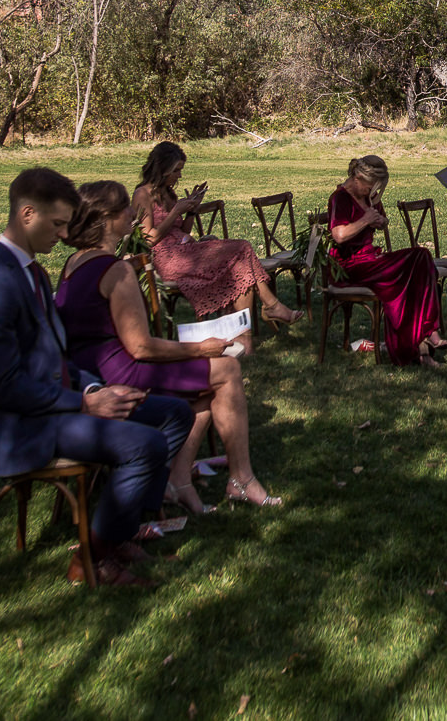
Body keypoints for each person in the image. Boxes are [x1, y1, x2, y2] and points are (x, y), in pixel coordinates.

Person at [0, 167, 195, 588]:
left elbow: (56, 357)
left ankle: (118, 530)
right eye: (59, 224)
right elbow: (4, 387)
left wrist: (95, 387)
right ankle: (92, 556)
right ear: (27, 214)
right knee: (145, 444)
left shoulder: (33, 272)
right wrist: (85, 403)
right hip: (19, 425)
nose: (65, 235)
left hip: (56, 403)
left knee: (173, 413)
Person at [56, 180, 280, 513]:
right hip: (120, 371)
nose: (132, 212)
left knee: (209, 387)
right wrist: (200, 349)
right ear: (106, 220)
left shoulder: (73, 264)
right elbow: (141, 348)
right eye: (125, 209)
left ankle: (179, 481)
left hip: (88, 367)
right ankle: (241, 479)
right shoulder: (116, 270)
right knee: (227, 368)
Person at [132, 141, 301, 326]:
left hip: (186, 250)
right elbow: (149, 239)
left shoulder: (168, 193)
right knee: (242, 247)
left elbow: (182, 230)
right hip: (166, 260)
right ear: (162, 168)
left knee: (240, 267)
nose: (179, 175)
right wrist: (175, 212)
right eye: (176, 170)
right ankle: (271, 305)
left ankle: (241, 336)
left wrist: (192, 210)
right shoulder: (142, 194)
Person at [327, 155, 447, 367]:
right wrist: (365, 220)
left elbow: (379, 220)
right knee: (418, 260)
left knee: (419, 265)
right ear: (357, 178)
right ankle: (426, 334)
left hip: (371, 259)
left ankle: (423, 342)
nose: (370, 193)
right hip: (350, 266)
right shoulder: (340, 198)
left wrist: (380, 221)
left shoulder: (368, 197)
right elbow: (339, 235)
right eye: (369, 187)